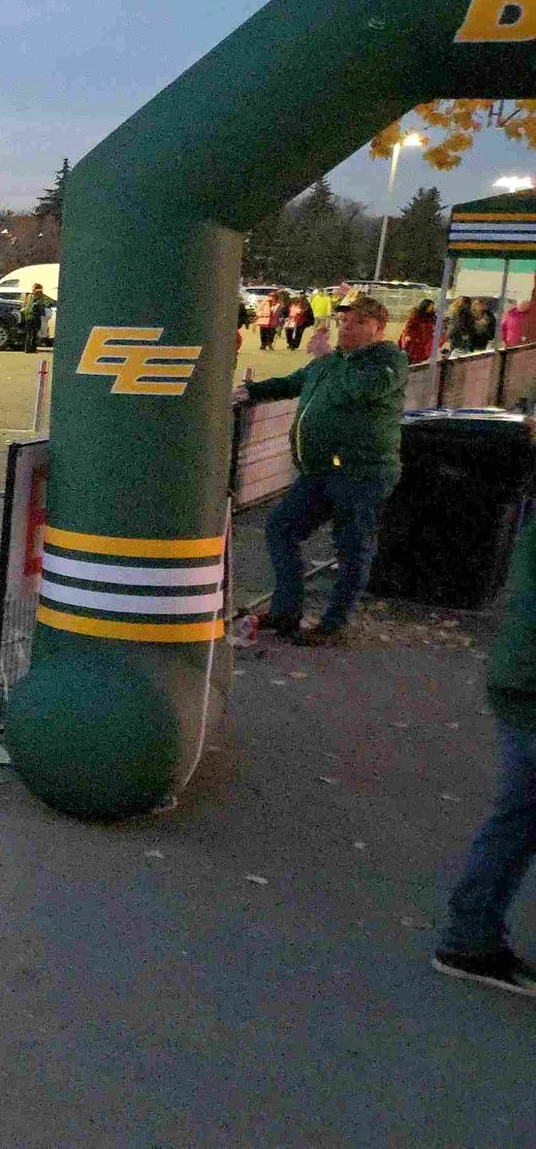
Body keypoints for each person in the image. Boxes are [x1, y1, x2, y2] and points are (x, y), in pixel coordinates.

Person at [241, 295, 408, 645]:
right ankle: (286, 610)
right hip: (318, 470)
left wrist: (328, 357)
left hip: (361, 472)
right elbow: (293, 382)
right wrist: (249, 392)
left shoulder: (387, 360)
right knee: (281, 529)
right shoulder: (332, 363)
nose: (347, 328)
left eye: (358, 323)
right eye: (344, 322)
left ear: (378, 328)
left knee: (352, 547)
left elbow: (360, 390)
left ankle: (333, 624)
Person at [434, 520, 536, 998]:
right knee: (519, 817)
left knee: (520, 817)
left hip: (522, 677)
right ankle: (469, 938)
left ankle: (470, 936)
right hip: (529, 684)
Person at [401, 299, 439, 364]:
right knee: (414, 358)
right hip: (416, 341)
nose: (432, 307)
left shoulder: (432, 316)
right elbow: (409, 327)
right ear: (425, 306)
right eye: (430, 306)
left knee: (424, 359)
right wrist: (411, 336)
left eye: (432, 306)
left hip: (426, 341)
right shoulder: (416, 316)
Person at [21, 286, 50, 354]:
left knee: (29, 333)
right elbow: (41, 309)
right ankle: (32, 348)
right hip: (34, 317)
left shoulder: (29, 296)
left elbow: (24, 306)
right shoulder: (39, 298)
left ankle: (27, 349)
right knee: (34, 333)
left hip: (28, 316)